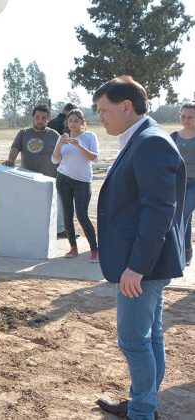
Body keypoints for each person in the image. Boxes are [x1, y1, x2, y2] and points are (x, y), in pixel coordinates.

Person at [93, 76, 185, 420]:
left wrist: (137, 267)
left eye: (104, 110)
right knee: (150, 335)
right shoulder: (142, 138)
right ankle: (143, 402)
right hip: (146, 263)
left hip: (142, 266)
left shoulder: (149, 142)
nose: (100, 117)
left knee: (134, 340)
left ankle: (143, 411)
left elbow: (159, 209)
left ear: (126, 106)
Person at [2, 104, 67, 237]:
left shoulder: (54, 135)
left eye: (43, 118)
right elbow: (15, 148)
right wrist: (11, 161)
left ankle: (58, 231)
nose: (40, 120)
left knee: (50, 209)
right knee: (29, 210)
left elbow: (62, 154)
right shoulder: (24, 133)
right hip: (28, 181)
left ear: (48, 119)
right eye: (37, 117)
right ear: (33, 118)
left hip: (50, 181)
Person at [50, 109, 100, 262]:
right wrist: (60, 145)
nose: (73, 124)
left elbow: (95, 158)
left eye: (76, 121)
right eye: (70, 121)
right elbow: (54, 160)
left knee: (82, 215)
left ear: (82, 122)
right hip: (63, 178)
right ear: (67, 123)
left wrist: (80, 146)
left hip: (83, 181)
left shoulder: (90, 136)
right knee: (67, 213)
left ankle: (94, 249)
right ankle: (73, 247)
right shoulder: (62, 138)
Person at [171, 102, 195, 266]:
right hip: (177, 183)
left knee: (182, 215)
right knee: (181, 216)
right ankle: (185, 252)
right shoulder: (173, 136)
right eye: (183, 116)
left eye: (190, 117)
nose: (186, 120)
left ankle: (181, 252)